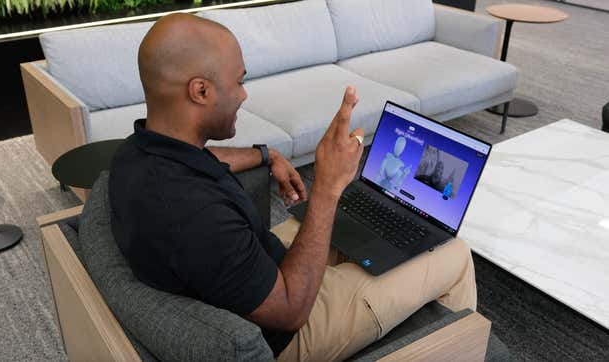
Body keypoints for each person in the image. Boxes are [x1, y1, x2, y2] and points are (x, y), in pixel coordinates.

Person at [109, 13, 477, 361]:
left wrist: (265, 155)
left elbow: (205, 159)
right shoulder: (193, 215)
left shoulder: (137, 154)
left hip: (259, 270)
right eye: (239, 80)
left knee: (364, 234)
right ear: (200, 91)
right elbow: (291, 311)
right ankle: (453, 344)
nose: (243, 95)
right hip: (288, 328)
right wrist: (328, 187)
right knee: (455, 253)